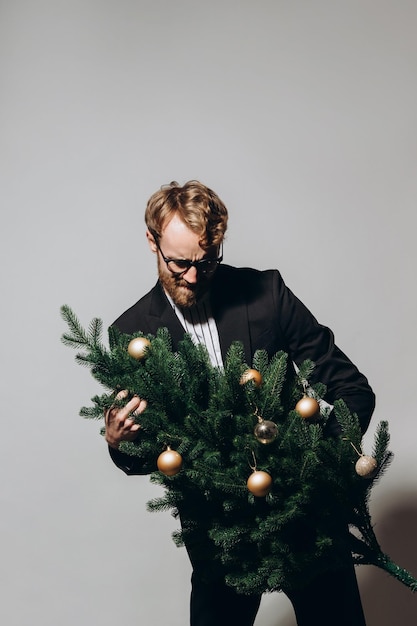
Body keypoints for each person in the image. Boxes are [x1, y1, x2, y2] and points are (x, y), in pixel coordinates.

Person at [105, 180, 375, 626]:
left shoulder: (266, 294)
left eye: (207, 262)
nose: (193, 276)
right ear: (152, 242)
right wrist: (119, 442)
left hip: (307, 518)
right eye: (180, 263)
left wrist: (315, 465)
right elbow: (147, 454)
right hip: (219, 536)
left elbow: (350, 389)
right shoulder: (131, 334)